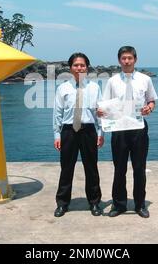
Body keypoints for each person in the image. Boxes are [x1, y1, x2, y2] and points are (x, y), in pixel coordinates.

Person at [99, 46, 158, 218]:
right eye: (123, 58)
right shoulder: (112, 81)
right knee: (119, 169)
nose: (126, 61)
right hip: (119, 129)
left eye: (129, 58)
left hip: (138, 128)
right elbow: (105, 104)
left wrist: (149, 108)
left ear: (135, 59)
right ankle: (119, 205)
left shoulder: (145, 79)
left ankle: (140, 205)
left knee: (139, 168)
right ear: (119, 60)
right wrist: (101, 112)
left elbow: (152, 100)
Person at [53, 52, 104, 217]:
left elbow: (99, 113)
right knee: (66, 168)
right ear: (70, 68)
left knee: (92, 168)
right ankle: (62, 203)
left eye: (82, 65)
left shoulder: (95, 88)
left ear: (87, 68)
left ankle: (95, 203)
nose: (79, 68)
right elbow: (57, 113)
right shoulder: (63, 88)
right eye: (76, 65)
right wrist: (56, 134)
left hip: (89, 130)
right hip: (68, 131)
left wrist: (100, 132)